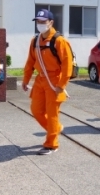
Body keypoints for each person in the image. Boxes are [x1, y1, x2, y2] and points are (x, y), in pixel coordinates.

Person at [22, 9, 73, 155]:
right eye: (38, 21)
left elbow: (67, 65)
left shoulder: (59, 41)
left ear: (51, 22)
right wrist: (26, 79)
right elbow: (30, 62)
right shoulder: (35, 41)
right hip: (40, 79)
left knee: (52, 114)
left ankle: (51, 144)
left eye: (43, 22)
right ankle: (56, 128)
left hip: (54, 80)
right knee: (36, 110)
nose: (40, 24)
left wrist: (61, 85)